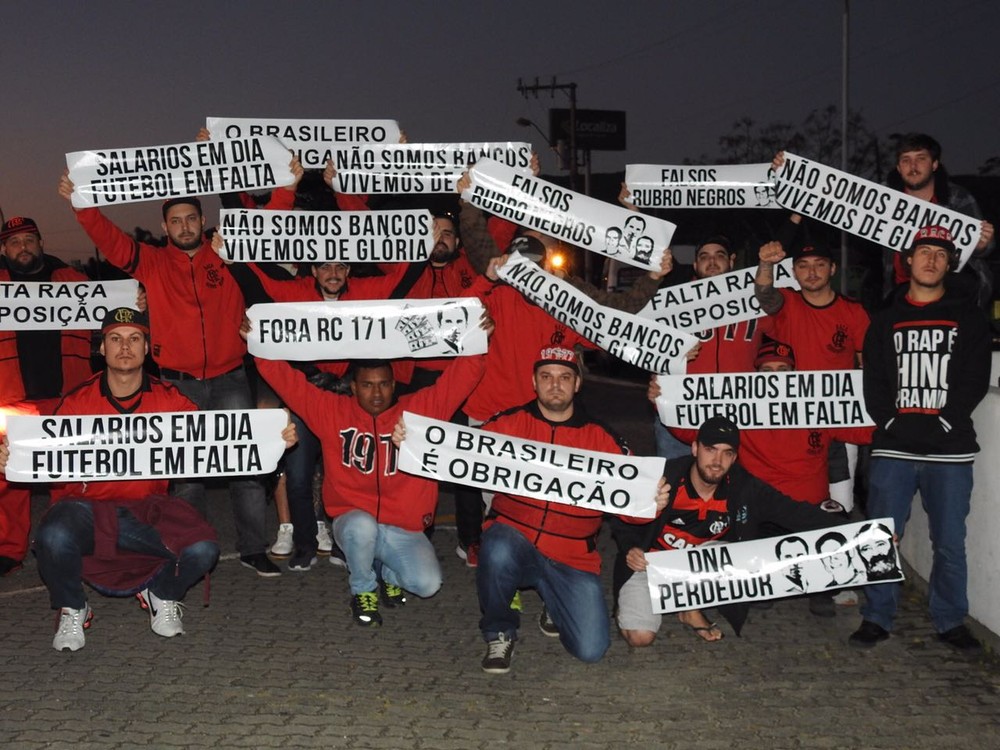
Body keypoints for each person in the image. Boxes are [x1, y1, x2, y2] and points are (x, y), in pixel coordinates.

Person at [59, 165, 301, 577]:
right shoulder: (150, 263)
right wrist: (83, 205)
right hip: (175, 384)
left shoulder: (228, 253)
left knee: (245, 469)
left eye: (191, 218)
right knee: (185, 476)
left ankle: (251, 547)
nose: (185, 226)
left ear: (203, 221)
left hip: (230, 379)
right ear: (164, 226)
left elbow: (268, 224)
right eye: (176, 221)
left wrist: (287, 186)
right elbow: (110, 241)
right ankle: (191, 547)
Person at [0, 308, 222, 651]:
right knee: (53, 535)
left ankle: (161, 593)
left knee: (204, 549)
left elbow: (211, 441)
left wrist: (270, 437)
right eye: (115, 339)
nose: (125, 348)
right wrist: (11, 460)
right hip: (86, 510)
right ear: (101, 349)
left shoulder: (170, 400)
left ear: (147, 348)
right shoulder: (76, 402)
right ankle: (73, 606)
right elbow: (43, 454)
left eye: (134, 339)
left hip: (146, 511)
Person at [251, 313, 491, 627]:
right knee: (362, 527)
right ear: (353, 387)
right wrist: (259, 339)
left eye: (383, 385)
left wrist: (476, 338)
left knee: (427, 584)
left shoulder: (418, 411)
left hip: (403, 527)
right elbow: (287, 381)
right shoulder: (331, 410)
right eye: (366, 385)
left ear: (394, 385)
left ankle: (387, 572)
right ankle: (363, 589)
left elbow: (461, 378)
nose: (376, 394)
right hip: (353, 521)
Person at [453, 346, 667, 672]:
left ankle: (554, 599)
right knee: (494, 548)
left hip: (572, 557)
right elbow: (455, 455)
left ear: (578, 384)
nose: (556, 385)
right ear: (534, 383)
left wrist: (652, 501)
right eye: (547, 377)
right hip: (516, 542)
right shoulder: (508, 425)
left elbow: (628, 508)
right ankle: (499, 631)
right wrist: (413, 440)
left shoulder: (602, 439)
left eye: (565, 377)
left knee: (591, 649)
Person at [850, 225, 991, 652]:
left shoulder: (968, 314)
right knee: (881, 537)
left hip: (950, 451)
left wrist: (944, 423)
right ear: (907, 260)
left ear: (950, 264)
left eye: (940, 254)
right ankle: (877, 616)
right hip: (894, 448)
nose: (931, 259)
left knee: (949, 541)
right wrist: (891, 423)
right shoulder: (886, 319)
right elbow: (873, 381)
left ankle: (950, 620)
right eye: (923, 251)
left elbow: (974, 380)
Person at [611, 416, 834, 647]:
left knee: (733, 551)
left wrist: (859, 532)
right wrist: (631, 547)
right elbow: (620, 516)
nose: (717, 461)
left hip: (702, 567)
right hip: (652, 565)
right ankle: (635, 604)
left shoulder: (744, 486)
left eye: (727, 453)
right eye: (710, 450)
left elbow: (795, 513)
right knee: (640, 638)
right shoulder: (665, 477)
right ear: (696, 448)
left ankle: (690, 608)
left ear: (735, 458)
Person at [0, 217, 96, 575]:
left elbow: (110, 312)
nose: (22, 247)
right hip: (12, 398)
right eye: (14, 243)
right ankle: (9, 550)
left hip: (66, 395)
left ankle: (67, 542)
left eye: (28, 240)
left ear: (41, 243)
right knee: (8, 477)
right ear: (4, 250)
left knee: (70, 475)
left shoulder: (73, 280)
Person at [754, 234, 869, 515]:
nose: (812, 272)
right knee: (799, 500)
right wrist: (765, 265)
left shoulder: (852, 312)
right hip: (793, 423)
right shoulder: (788, 303)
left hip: (839, 422)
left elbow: (867, 366)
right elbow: (765, 296)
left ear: (832, 269)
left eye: (819, 264)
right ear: (794, 272)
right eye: (803, 265)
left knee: (841, 500)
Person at [883, 133, 995, 308]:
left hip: (954, 292)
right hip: (901, 292)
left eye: (921, 159)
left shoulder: (958, 197)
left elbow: (986, 248)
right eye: (906, 160)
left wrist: (981, 246)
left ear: (934, 164)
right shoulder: (882, 199)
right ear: (898, 167)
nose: (913, 166)